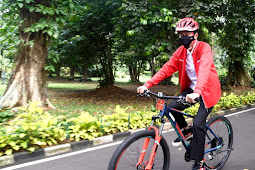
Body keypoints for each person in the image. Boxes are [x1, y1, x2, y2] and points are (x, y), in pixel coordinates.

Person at [137, 18, 221, 170]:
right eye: (181, 33)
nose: (184, 36)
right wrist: (146, 85)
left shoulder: (204, 48)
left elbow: (203, 70)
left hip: (207, 90)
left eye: (187, 33)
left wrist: (197, 92)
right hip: (192, 90)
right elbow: (166, 69)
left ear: (195, 34)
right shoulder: (181, 52)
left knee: (198, 124)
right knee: (171, 108)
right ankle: (187, 133)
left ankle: (199, 163)